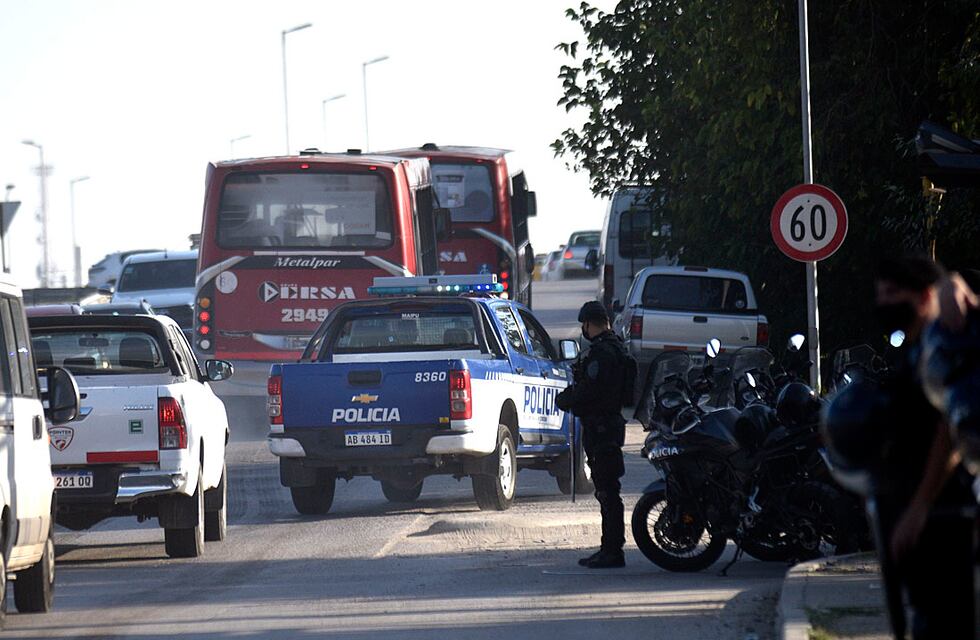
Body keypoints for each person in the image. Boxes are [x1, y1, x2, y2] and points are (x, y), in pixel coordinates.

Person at [872, 255, 976, 639]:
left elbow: (947, 430)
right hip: (916, 511)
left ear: (924, 295)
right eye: (880, 294)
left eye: (894, 293)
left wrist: (920, 508)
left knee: (943, 622)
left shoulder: (948, 345)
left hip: (943, 512)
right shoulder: (917, 350)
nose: (885, 303)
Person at [556, 301, 630, 569]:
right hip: (609, 425)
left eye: (584, 325)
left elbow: (591, 391)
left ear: (588, 324)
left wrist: (566, 399)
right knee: (608, 490)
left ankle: (612, 551)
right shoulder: (617, 348)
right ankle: (609, 548)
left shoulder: (602, 354)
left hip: (601, 428)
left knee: (607, 491)